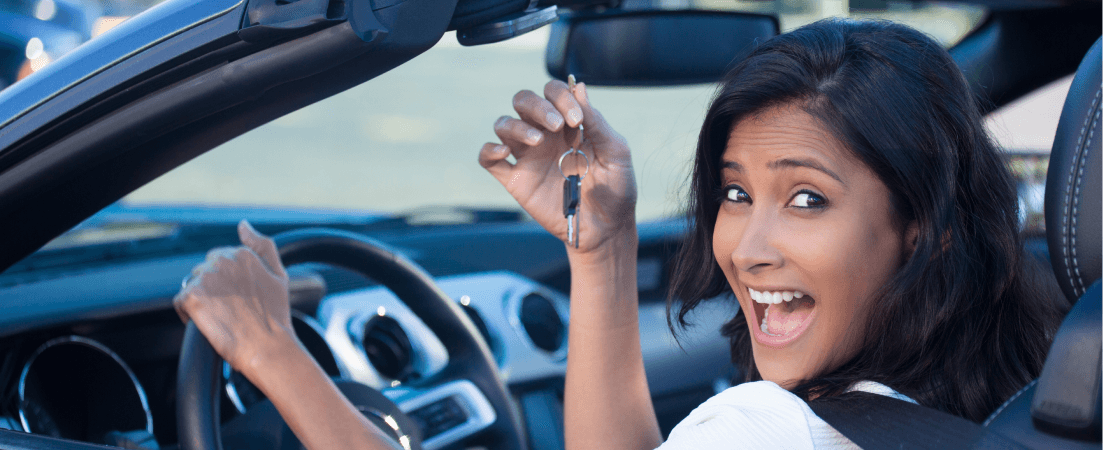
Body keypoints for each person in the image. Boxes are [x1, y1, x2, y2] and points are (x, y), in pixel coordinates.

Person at [174, 18, 1065, 450]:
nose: (748, 247)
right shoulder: (1018, 403)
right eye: (732, 192)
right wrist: (599, 250)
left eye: (805, 201)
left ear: (922, 232)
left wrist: (273, 355)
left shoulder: (767, 429)